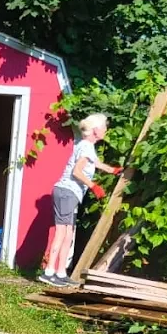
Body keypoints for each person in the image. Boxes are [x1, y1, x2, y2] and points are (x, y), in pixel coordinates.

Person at [39, 113, 121, 287]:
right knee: (62, 232)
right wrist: (93, 186)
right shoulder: (85, 146)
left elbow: (96, 164)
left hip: (71, 194)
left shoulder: (87, 147)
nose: (106, 130)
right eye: (104, 127)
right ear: (96, 130)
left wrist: (114, 170)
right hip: (67, 192)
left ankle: (61, 273)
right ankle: (49, 273)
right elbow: (77, 171)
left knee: (68, 234)